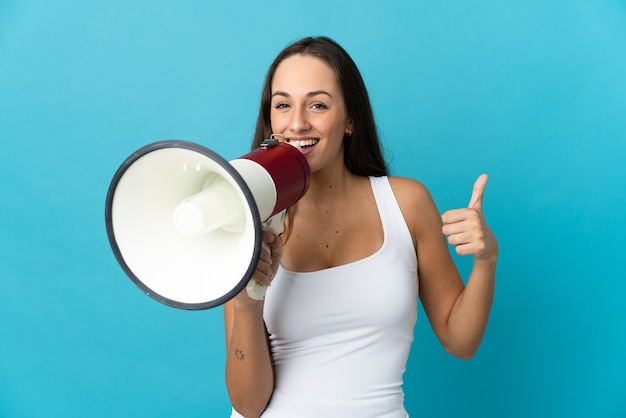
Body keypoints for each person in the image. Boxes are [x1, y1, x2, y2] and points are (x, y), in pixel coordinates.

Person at [223, 36, 498, 418]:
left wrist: (486, 260)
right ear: (270, 119)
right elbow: (248, 404)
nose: (297, 122)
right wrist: (246, 303)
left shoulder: (406, 204)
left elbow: (460, 340)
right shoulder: (247, 218)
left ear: (350, 119)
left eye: (317, 104)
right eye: (283, 104)